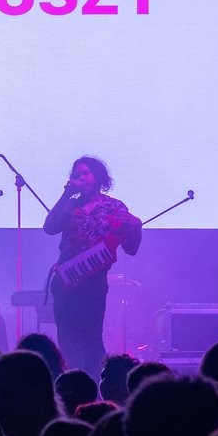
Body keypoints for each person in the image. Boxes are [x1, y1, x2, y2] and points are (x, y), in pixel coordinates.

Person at [42, 156, 141, 379]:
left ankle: (94, 385)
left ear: (99, 177)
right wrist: (66, 194)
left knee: (92, 339)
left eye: (86, 173)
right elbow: (49, 227)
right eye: (77, 174)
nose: (81, 178)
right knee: (67, 340)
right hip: (66, 281)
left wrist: (137, 228)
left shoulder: (115, 207)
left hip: (93, 284)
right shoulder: (70, 205)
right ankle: (71, 383)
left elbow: (131, 249)